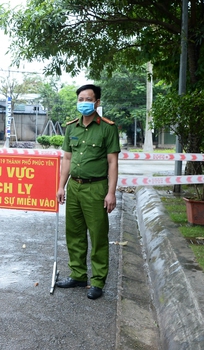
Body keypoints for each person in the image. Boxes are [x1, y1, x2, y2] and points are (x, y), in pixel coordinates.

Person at [56, 84, 120, 300]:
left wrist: (111, 193)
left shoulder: (108, 128)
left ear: (97, 102)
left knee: (98, 234)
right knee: (74, 233)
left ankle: (98, 281)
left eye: (88, 99)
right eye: (81, 99)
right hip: (74, 186)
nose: (84, 103)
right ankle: (78, 275)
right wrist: (60, 186)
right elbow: (67, 159)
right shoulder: (71, 127)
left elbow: (112, 162)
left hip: (96, 188)